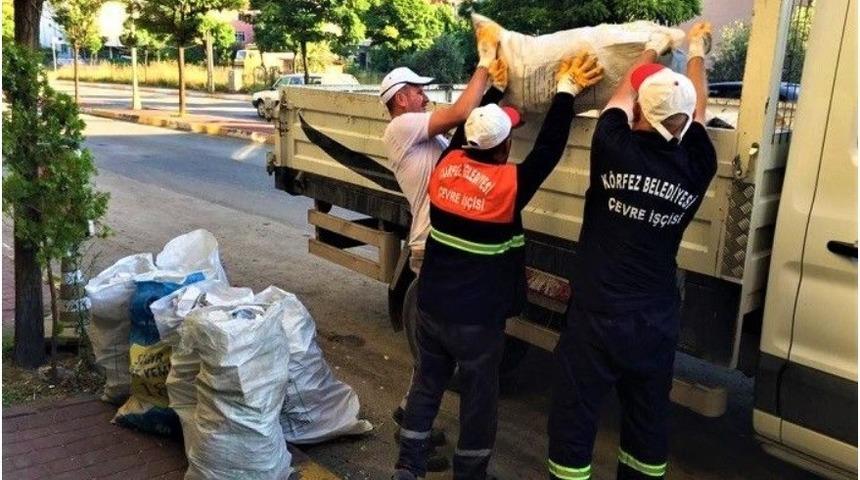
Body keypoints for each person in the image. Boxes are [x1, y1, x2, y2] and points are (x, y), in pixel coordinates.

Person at [393, 52, 605, 480]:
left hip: (432, 306)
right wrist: (566, 91)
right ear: (506, 147)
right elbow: (548, 148)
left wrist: (492, 93)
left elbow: (473, 136)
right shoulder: (508, 188)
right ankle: (469, 474)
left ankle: (408, 467)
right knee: (478, 399)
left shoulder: (446, 167)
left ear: (468, 141)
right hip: (476, 322)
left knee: (428, 386)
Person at [546, 23, 716, 480]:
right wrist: (696, 51)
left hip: (598, 315)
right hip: (655, 321)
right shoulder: (700, 163)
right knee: (647, 424)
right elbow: (698, 108)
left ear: (641, 111)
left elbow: (624, 90)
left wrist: (650, 50)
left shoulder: (613, 145)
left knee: (574, 419)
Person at [381, 22, 504, 472]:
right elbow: (462, 110)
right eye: (418, 91)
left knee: (431, 356)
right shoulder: (402, 129)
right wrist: (485, 64)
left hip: (436, 250)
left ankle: (409, 417)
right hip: (431, 251)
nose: (424, 96)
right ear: (400, 100)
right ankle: (414, 433)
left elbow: (468, 134)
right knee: (438, 358)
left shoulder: (420, 135)